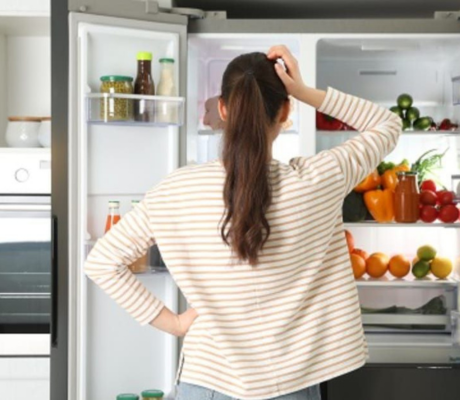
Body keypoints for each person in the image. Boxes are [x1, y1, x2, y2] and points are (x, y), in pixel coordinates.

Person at [85, 45, 401, 400]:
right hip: (290, 387)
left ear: (223, 109)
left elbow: (102, 262)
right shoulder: (319, 179)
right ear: (285, 111)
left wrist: (174, 322)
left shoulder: (175, 190)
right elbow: (388, 124)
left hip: (205, 385)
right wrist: (301, 90)